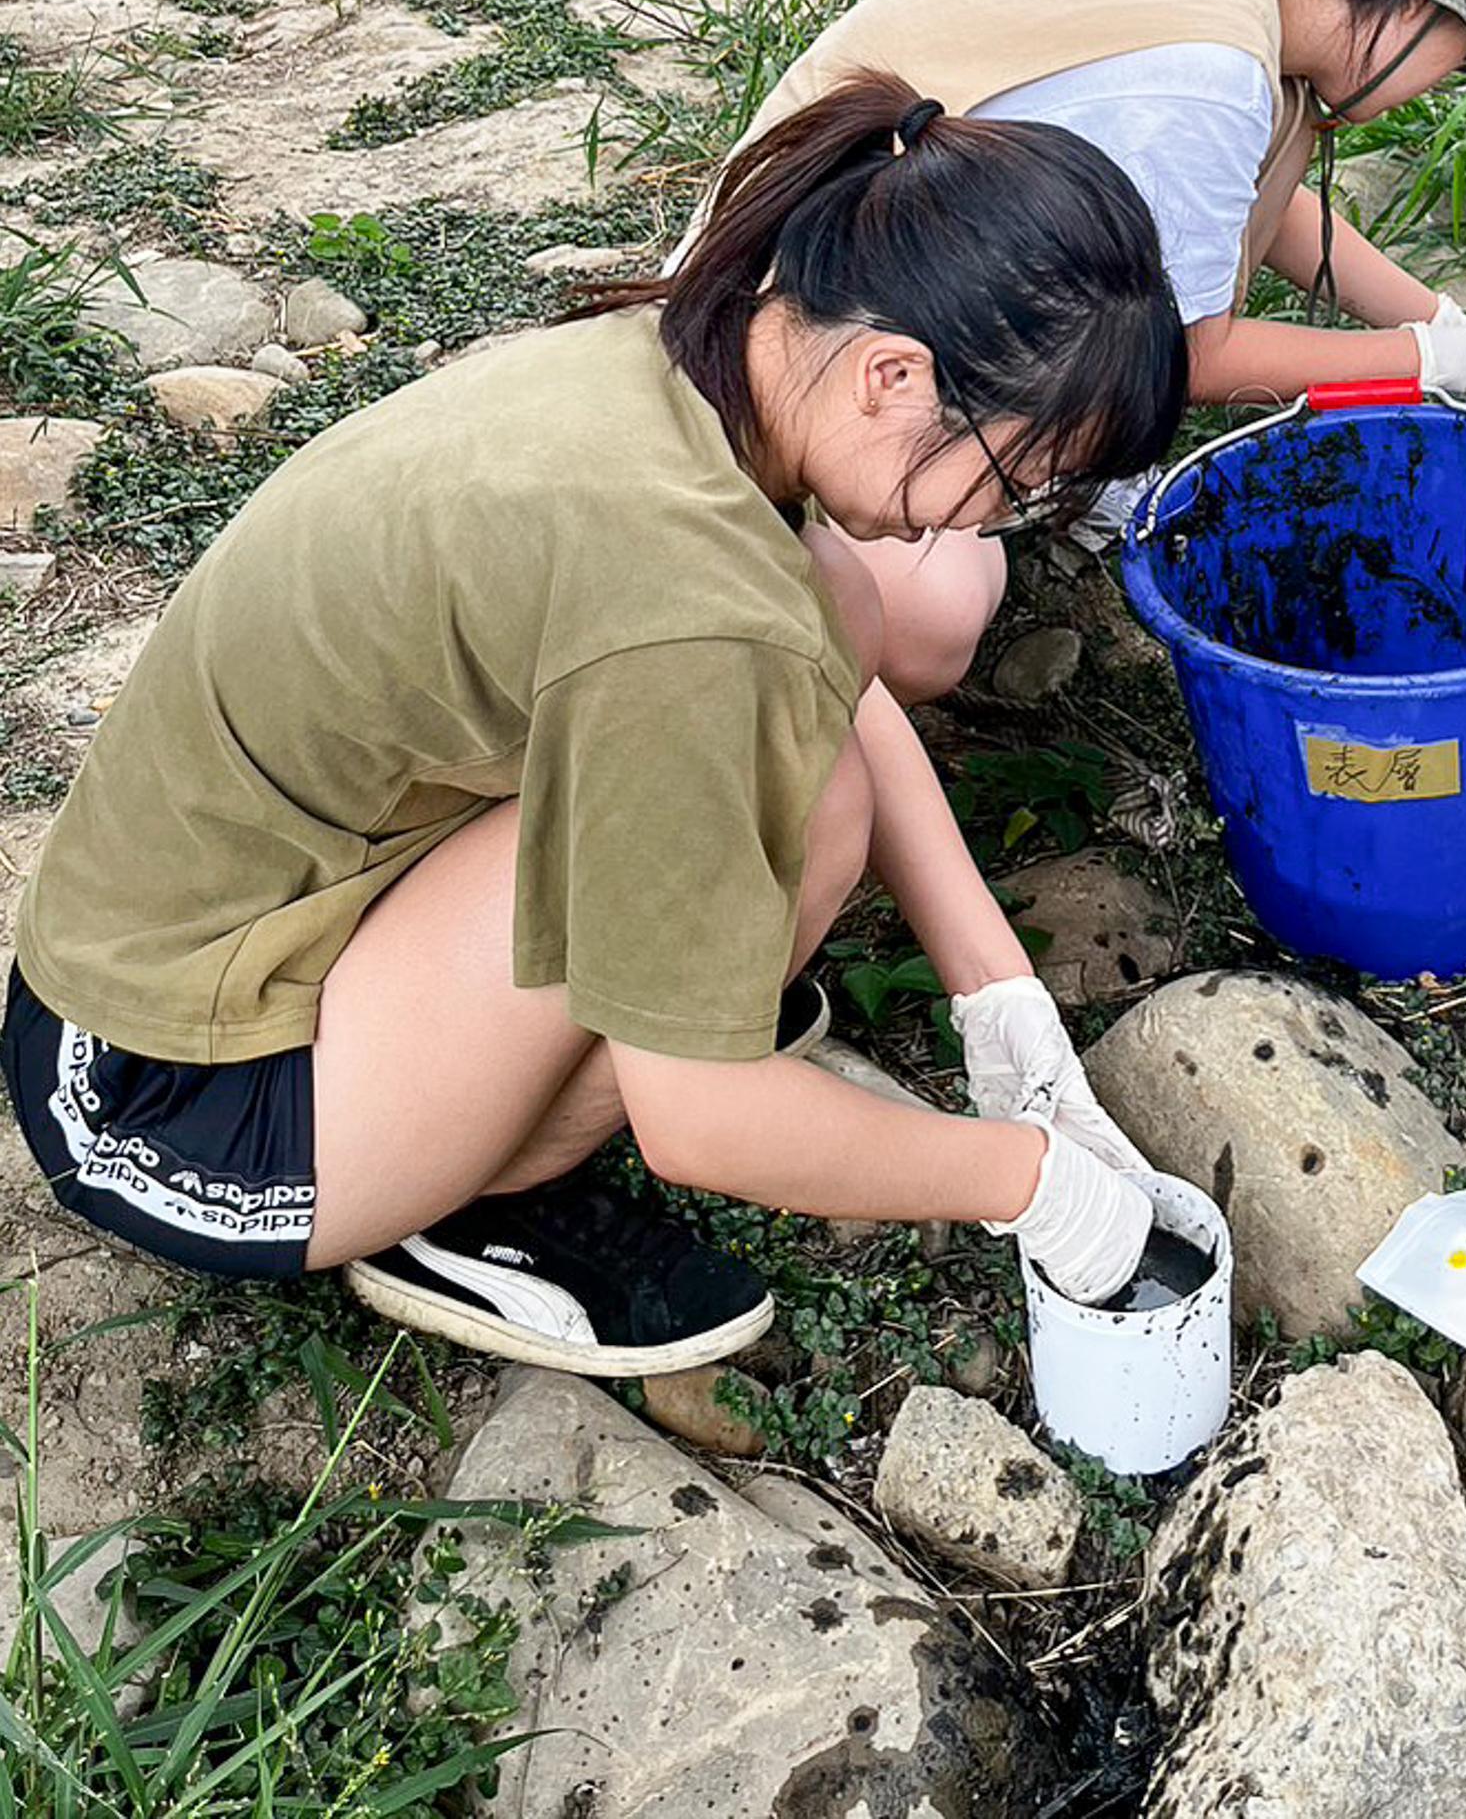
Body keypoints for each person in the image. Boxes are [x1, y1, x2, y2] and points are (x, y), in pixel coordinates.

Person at [1, 78, 1188, 1373]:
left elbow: (830, 681)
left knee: (816, 752)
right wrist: (1035, 1185)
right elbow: (701, 1123)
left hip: (229, 927)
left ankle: (470, 1112)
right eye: (1015, 479)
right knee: (764, 817)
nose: (982, 525)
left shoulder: (703, 357)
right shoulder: (691, 613)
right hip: (171, 1099)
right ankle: (461, 1204)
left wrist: (997, 998)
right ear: (894, 375)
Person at [705, 0, 1466, 707]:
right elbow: (1190, 355)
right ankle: (811, 646)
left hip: (850, 275)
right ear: (1422, 6)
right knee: (932, 611)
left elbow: (1248, 207)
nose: (1447, 81)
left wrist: (1447, 325)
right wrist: (1445, 365)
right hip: (794, 356)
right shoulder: (1206, 70)